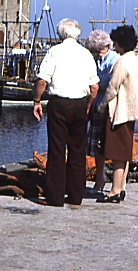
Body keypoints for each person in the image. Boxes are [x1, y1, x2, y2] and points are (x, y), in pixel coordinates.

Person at [33, 18, 99, 207]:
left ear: (61, 34)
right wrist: (87, 105)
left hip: (59, 104)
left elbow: (42, 81)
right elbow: (94, 87)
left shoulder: (54, 52)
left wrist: (37, 101)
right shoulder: (86, 54)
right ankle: (76, 196)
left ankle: (55, 197)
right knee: (78, 151)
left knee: (56, 150)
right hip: (79, 104)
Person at [96, 25, 138, 203]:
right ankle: (121, 187)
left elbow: (112, 88)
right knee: (124, 152)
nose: (114, 46)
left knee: (117, 153)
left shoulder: (122, 62)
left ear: (120, 43)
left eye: (115, 42)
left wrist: (101, 106)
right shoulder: (133, 59)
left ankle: (115, 191)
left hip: (120, 112)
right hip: (130, 111)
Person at [84, 30, 119, 193]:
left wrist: (93, 81)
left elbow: (109, 82)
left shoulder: (114, 60)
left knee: (111, 146)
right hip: (96, 107)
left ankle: (117, 184)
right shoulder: (93, 60)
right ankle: (99, 180)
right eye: (94, 51)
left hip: (109, 108)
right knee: (97, 146)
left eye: (99, 51)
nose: (97, 54)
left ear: (107, 46)